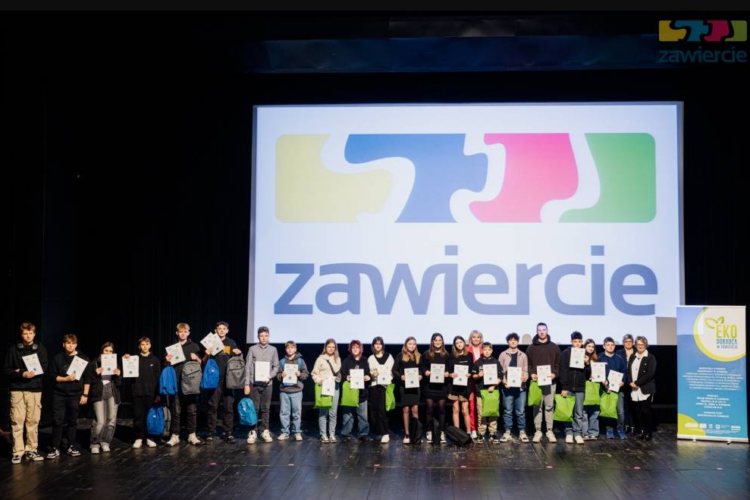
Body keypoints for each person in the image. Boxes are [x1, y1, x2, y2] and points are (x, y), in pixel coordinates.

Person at [4, 322, 47, 463]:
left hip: (34, 389)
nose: (28, 336)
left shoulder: (40, 348)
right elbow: (7, 370)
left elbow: (44, 367)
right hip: (17, 390)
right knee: (17, 420)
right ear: (21, 335)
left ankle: (31, 450)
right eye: (25, 333)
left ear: (34, 334)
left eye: (30, 333)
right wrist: (22, 373)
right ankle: (17, 451)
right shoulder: (13, 350)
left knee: (33, 421)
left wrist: (29, 372)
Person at [47, 334, 93, 459]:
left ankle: (70, 445)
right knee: (57, 421)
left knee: (72, 421)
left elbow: (87, 378)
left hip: (75, 395)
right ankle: (55, 447)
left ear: (76, 345)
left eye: (73, 343)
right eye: (68, 343)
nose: (70, 345)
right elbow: (52, 376)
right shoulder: (57, 358)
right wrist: (65, 379)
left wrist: (85, 394)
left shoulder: (83, 358)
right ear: (64, 344)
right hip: (59, 394)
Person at [164, 322, 203, 447]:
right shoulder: (172, 347)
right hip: (176, 382)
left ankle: (192, 434)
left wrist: (197, 358)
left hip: (191, 383)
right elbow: (166, 366)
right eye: (180, 332)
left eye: (185, 332)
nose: (183, 334)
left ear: (188, 333)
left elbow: (201, 363)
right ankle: (175, 435)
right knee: (175, 410)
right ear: (177, 333)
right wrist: (167, 360)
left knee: (191, 410)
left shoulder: (194, 346)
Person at [204, 321, 243, 443]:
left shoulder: (231, 343)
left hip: (228, 379)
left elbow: (238, 361)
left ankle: (228, 433)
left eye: (224, 328)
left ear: (227, 330)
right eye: (219, 328)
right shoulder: (210, 341)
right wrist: (206, 354)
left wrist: (239, 354)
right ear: (215, 330)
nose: (221, 330)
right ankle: (210, 433)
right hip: (214, 378)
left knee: (228, 406)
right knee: (213, 406)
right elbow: (203, 362)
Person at [123, 337, 161, 449]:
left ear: (150, 345)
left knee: (149, 417)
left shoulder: (155, 360)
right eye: (143, 344)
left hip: (150, 393)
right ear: (139, 346)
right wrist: (126, 359)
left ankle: (149, 438)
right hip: (137, 392)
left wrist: (158, 394)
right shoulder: (133, 359)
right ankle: (138, 437)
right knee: (138, 416)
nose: (145, 346)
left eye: (147, 344)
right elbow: (127, 372)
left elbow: (158, 378)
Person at [244, 326, 279, 444]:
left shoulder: (273, 350)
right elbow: (248, 366)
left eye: (266, 336)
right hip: (254, 383)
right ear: (258, 337)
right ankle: (252, 431)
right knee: (254, 408)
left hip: (267, 383)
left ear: (269, 336)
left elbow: (276, 366)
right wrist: (247, 383)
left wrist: (270, 376)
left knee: (265, 408)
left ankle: (264, 430)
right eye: (261, 336)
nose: (264, 338)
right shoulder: (252, 349)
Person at [526, 322, 560, 443]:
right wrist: (531, 374)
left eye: (544, 329)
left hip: (550, 382)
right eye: (539, 330)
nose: (541, 332)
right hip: (537, 383)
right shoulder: (531, 347)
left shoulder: (554, 347)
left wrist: (555, 374)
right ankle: (538, 430)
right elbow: (528, 364)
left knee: (549, 406)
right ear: (537, 331)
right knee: (537, 407)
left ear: (547, 331)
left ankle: (549, 431)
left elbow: (558, 364)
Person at [89, 342, 122, 453]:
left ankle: (105, 442)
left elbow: (119, 383)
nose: (108, 353)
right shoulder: (94, 363)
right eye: (106, 351)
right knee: (100, 421)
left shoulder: (115, 364)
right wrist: (95, 373)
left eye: (110, 351)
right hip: (99, 393)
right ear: (102, 352)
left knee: (111, 420)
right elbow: (88, 380)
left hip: (112, 392)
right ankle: (94, 443)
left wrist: (118, 375)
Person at [560, 331, 591, 444]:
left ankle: (577, 433)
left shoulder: (585, 354)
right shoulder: (565, 353)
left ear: (582, 342)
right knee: (568, 412)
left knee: (579, 413)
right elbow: (563, 370)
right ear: (571, 342)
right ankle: (568, 432)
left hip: (580, 387)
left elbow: (588, 374)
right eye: (575, 341)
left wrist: (587, 363)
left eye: (579, 341)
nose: (577, 343)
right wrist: (564, 387)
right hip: (568, 387)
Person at [420, 333, 451, 444]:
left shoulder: (446, 354)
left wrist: (447, 373)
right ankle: (429, 431)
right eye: (436, 340)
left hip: (441, 387)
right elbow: (422, 367)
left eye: (440, 340)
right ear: (432, 341)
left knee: (442, 409)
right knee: (429, 409)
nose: (438, 342)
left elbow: (449, 368)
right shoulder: (426, 354)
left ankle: (441, 432)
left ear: (442, 342)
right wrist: (425, 372)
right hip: (429, 386)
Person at [277, 340, 309, 441]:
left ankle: (297, 432)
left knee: (296, 413)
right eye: (288, 348)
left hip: (296, 391)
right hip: (284, 391)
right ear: (285, 349)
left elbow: (306, 374)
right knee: (284, 413)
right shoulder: (282, 361)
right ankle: (284, 432)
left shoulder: (300, 361)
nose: (290, 350)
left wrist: (300, 374)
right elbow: (277, 374)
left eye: (292, 347)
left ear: (295, 349)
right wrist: (281, 375)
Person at [311, 339, 342, 443]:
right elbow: (314, 373)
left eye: (333, 347)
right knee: (323, 411)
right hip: (324, 387)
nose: (331, 349)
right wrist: (318, 380)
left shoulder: (337, 359)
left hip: (335, 386)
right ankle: (323, 435)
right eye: (329, 347)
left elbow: (339, 373)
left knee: (333, 412)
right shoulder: (320, 359)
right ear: (325, 347)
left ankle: (332, 434)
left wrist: (339, 377)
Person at [340, 340, 371, 442]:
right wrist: (346, 377)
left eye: (357, 347)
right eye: (353, 347)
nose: (355, 349)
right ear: (350, 349)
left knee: (363, 416)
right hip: (350, 392)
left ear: (360, 349)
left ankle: (363, 434)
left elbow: (368, 374)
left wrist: (368, 377)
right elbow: (342, 375)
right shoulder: (346, 361)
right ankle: (346, 434)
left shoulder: (365, 361)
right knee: (348, 415)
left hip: (362, 392)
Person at [393, 336, 422, 444]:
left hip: (415, 387)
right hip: (404, 386)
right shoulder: (400, 356)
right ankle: (407, 434)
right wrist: (401, 376)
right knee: (406, 409)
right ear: (406, 345)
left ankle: (416, 434)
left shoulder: (419, 356)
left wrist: (420, 375)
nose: (412, 346)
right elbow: (394, 370)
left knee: (415, 410)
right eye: (410, 344)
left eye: (414, 344)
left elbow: (422, 370)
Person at [471, 341, 502, 443]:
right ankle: (481, 433)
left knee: (493, 413)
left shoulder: (496, 362)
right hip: (481, 392)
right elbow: (473, 376)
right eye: (485, 349)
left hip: (493, 392)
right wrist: (478, 375)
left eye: (489, 349)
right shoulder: (478, 362)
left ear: (492, 350)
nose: (487, 351)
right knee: (481, 414)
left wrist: (494, 385)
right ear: (482, 350)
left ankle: (493, 433)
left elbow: (500, 377)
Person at [598, 337, 627, 440]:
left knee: (620, 411)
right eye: (608, 345)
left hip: (618, 389)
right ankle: (609, 430)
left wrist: (623, 381)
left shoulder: (619, 358)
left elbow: (624, 372)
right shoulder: (599, 357)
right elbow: (597, 373)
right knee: (607, 410)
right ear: (604, 346)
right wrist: (604, 383)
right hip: (605, 389)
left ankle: (620, 429)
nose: (610, 347)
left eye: (612, 345)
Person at [629, 336, 657, 440]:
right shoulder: (633, 356)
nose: (640, 346)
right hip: (634, 388)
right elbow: (628, 371)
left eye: (642, 344)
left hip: (645, 388)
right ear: (635, 345)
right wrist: (630, 382)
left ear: (646, 345)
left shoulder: (651, 357)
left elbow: (650, 374)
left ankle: (648, 432)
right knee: (638, 412)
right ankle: (642, 431)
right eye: (638, 344)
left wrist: (637, 382)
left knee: (646, 411)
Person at [367, 336, 394, 443]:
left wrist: (387, 378)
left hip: (385, 386)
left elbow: (392, 371)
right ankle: (379, 432)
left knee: (382, 411)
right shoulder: (371, 358)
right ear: (373, 346)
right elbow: (369, 372)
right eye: (376, 344)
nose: (378, 346)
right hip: (374, 386)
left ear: (382, 345)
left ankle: (385, 433)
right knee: (374, 411)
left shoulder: (389, 357)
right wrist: (372, 374)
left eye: (380, 344)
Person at [448, 335, 473, 436]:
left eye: (460, 342)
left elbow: (471, 370)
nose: (459, 344)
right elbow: (448, 371)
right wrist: (451, 375)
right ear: (454, 345)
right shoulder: (451, 356)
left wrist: (470, 374)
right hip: (454, 386)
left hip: (465, 387)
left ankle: (468, 432)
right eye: (457, 343)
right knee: (455, 409)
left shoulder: (469, 355)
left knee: (465, 410)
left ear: (464, 343)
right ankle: (457, 433)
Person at [616, 334, 636, 434]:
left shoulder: (637, 352)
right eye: (626, 341)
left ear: (633, 342)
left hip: (634, 382)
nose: (628, 343)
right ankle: (626, 424)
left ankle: (633, 425)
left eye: (630, 341)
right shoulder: (618, 353)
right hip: (622, 382)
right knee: (624, 405)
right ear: (623, 342)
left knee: (633, 404)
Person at [466, 330, 484, 439]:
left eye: (478, 337)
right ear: (470, 339)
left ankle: (481, 429)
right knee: (472, 406)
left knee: (481, 407)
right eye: (474, 337)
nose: (476, 339)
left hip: (482, 382)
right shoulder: (467, 350)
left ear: (481, 339)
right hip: (470, 382)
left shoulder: (484, 350)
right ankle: (473, 429)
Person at [582, 339, 600, 441]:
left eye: (593, 347)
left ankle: (593, 432)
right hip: (584, 386)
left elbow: (601, 373)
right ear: (584, 347)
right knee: (584, 411)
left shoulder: (597, 359)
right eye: (589, 346)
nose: (591, 348)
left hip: (595, 386)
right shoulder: (580, 358)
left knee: (595, 411)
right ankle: (584, 432)